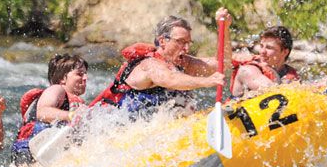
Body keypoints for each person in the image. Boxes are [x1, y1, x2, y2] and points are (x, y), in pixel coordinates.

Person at [92, 8, 232, 115]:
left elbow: (222, 63)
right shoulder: (149, 65)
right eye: (180, 42)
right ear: (162, 41)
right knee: (180, 97)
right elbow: (170, 79)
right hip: (116, 125)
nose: (187, 48)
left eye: (189, 42)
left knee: (182, 100)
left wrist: (225, 28)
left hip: (152, 126)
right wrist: (206, 82)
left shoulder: (182, 62)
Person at [11, 54, 87, 165]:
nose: (85, 78)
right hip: (32, 149)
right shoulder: (57, 89)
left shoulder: (76, 104)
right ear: (62, 79)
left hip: (46, 155)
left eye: (85, 74)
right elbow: (42, 112)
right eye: (79, 74)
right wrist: (72, 116)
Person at [231, 25, 327, 98]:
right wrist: (316, 86)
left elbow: (298, 92)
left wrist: (324, 87)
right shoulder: (248, 70)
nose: (262, 51)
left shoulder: (289, 75)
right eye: (261, 46)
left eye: (269, 48)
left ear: (284, 52)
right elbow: (273, 90)